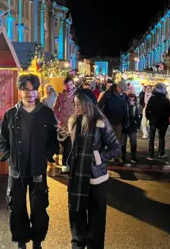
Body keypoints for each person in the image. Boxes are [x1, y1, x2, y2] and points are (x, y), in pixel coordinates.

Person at [0, 74, 59, 249]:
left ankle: (37, 240)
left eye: (33, 89)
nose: (29, 93)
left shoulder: (47, 113)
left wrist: (47, 156)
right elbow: (1, 140)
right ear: (20, 91)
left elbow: (54, 140)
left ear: (38, 91)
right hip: (16, 168)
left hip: (38, 167)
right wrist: (9, 157)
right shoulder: (11, 114)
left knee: (39, 205)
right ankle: (21, 240)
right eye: (25, 89)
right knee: (16, 205)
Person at [57, 91, 120, 249]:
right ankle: (78, 245)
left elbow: (115, 148)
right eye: (75, 104)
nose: (76, 107)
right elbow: (73, 148)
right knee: (76, 213)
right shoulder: (74, 121)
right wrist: (64, 138)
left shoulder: (100, 121)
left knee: (96, 218)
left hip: (95, 178)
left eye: (79, 104)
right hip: (77, 176)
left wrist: (97, 158)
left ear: (88, 104)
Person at [98, 80, 128, 164]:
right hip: (108, 122)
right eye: (121, 90)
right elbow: (99, 106)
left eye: (124, 91)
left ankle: (116, 158)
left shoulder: (124, 96)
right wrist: (102, 117)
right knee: (104, 140)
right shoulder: (108, 94)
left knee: (117, 141)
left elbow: (125, 108)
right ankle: (102, 157)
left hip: (119, 122)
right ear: (118, 87)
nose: (122, 92)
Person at [53, 76, 77, 173]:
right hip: (63, 124)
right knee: (64, 144)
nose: (69, 86)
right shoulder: (60, 95)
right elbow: (54, 108)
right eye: (67, 85)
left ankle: (67, 165)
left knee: (70, 145)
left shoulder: (77, 94)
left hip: (74, 124)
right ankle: (66, 165)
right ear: (64, 86)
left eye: (71, 84)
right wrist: (59, 116)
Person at [145, 83, 170, 159]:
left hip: (153, 121)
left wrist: (149, 117)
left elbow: (147, 110)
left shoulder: (152, 99)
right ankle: (161, 153)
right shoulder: (166, 100)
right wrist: (165, 120)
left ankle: (150, 154)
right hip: (162, 122)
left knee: (151, 138)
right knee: (161, 137)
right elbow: (168, 112)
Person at [122, 93, 140, 165]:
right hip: (124, 126)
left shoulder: (135, 106)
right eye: (130, 98)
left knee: (133, 142)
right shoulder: (124, 104)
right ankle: (123, 157)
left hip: (132, 126)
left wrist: (137, 125)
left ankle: (133, 157)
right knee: (123, 143)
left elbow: (136, 116)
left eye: (133, 98)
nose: (131, 100)